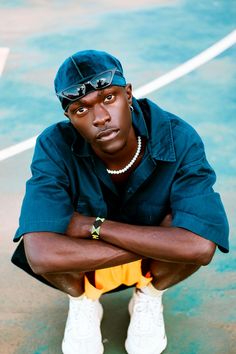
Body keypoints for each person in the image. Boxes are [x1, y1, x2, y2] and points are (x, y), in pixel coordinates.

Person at [12, 49, 229, 354]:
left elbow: (200, 247)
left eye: (109, 98)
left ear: (128, 94)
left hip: (149, 265)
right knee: (49, 239)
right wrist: (162, 240)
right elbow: (41, 256)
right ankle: (83, 300)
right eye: (80, 109)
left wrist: (92, 226)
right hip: (91, 267)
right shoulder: (53, 144)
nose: (99, 118)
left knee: (190, 240)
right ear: (69, 117)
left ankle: (149, 295)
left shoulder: (178, 138)